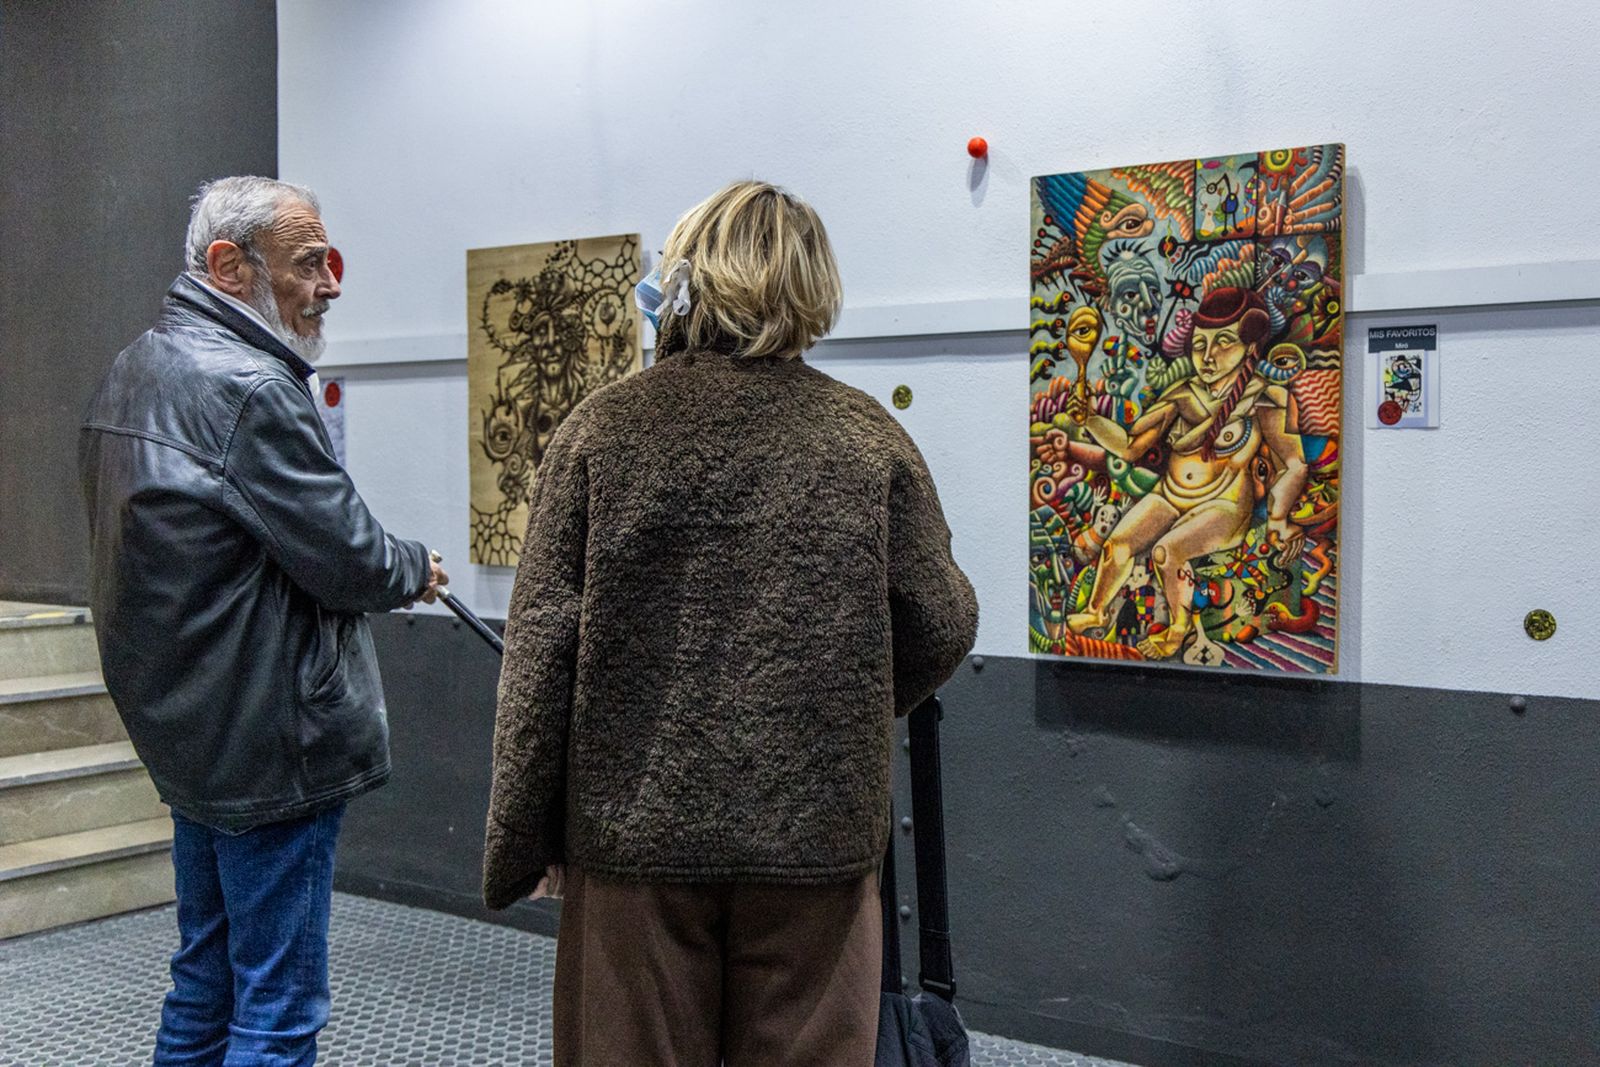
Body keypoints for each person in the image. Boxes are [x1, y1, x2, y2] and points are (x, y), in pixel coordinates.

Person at [482, 180, 979, 1066]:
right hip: (815, 843)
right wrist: (841, 699)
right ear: (809, 286)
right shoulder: (869, 440)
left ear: (685, 279)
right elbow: (941, 620)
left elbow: (541, 652)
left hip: (635, 836)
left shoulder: (601, 432)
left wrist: (526, 839)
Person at [79, 175, 446, 1067]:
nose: (330, 283)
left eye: (329, 261)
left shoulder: (136, 365)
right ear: (228, 266)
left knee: (204, 981)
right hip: (270, 741)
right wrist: (415, 567)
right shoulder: (251, 388)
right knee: (277, 1005)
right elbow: (349, 555)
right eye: (308, 263)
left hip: (192, 730)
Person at [1062, 286, 1308, 659]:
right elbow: (1130, 445)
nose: (1207, 357)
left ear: (1249, 346)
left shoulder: (1264, 397)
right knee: (1117, 545)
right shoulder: (1182, 394)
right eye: (1199, 345)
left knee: (1167, 551)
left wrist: (1278, 517)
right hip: (1170, 495)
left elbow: (1295, 463)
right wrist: (1092, 420)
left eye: (1223, 342)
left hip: (1223, 505)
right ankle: (1094, 611)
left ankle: (1176, 632)